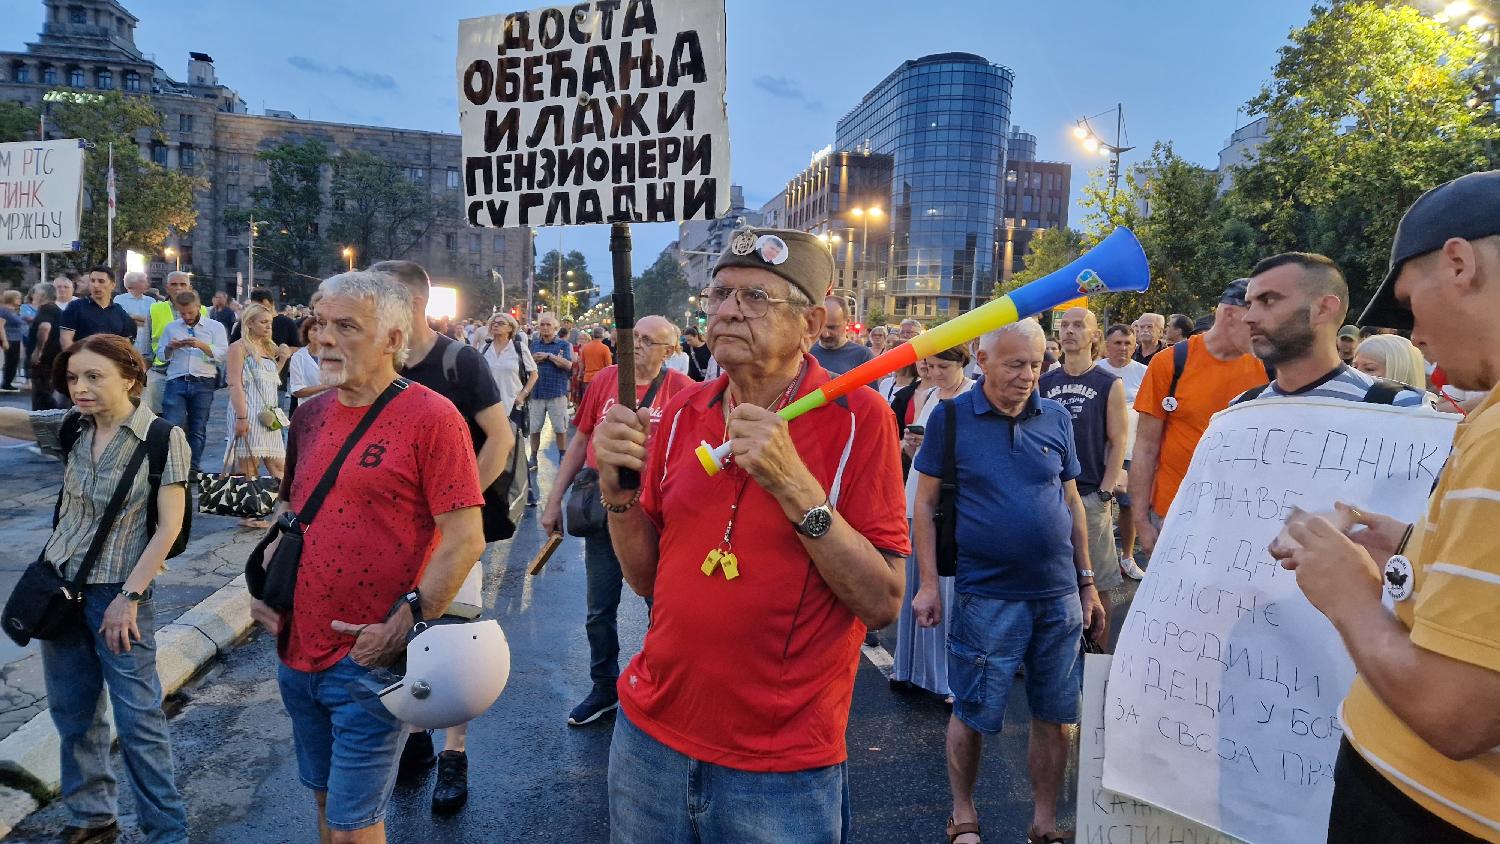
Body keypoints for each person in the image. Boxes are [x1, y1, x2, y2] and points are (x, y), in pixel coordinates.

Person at [592, 228, 908, 841]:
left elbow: (881, 602)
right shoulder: (683, 410)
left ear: (811, 323)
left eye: (757, 297)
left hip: (780, 766)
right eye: (720, 294)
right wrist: (617, 494)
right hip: (648, 739)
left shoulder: (859, 418)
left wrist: (795, 486)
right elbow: (646, 580)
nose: (729, 309)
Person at [1275, 169, 1500, 843]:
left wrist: (1347, 596)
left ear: (1458, 264)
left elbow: (1459, 715)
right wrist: (1410, 547)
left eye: (1407, 304)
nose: (1413, 334)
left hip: (1431, 812)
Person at [249, 271, 486, 844]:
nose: (322, 338)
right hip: (295, 653)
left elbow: (464, 538)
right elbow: (293, 515)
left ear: (392, 339)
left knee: (357, 828)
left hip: (367, 660)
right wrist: (261, 592)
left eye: (346, 326)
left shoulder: (433, 418)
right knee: (328, 811)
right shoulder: (308, 416)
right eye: (319, 322)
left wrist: (399, 628)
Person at [910, 318, 1105, 844]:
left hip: (1058, 596)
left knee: (1055, 713)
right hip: (986, 595)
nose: (1027, 376)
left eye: (1036, 365)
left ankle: (1044, 822)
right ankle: (964, 814)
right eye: (1016, 364)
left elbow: (1071, 502)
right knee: (973, 711)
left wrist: (1086, 582)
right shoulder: (950, 418)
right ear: (983, 358)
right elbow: (925, 504)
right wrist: (927, 584)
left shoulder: (1056, 417)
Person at [0, 334, 191, 844]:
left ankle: (167, 832)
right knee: (73, 711)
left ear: (129, 377)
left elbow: (168, 528)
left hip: (118, 593)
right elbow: (9, 421)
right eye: (72, 378)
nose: (79, 388)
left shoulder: (161, 437)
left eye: (93, 376)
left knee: (138, 722)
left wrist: (129, 599)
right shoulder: (70, 428)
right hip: (58, 588)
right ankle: (92, 815)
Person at [375, 260, 516, 815]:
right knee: (403, 629)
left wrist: (454, 506)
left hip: (452, 529)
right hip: (391, 533)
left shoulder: (460, 362)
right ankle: (415, 737)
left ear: (409, 305)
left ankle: (453, 755)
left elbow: (499, 439)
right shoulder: (377, 361)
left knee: (452, 636)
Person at [540, 315, 694, 727]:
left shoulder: (683, 392)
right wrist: (553, 500)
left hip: (659, 518)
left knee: (660, 610)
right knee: (598, 610)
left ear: (670, 351)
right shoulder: (606, 380)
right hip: (606, 511)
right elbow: (581, 441)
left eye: (649, 340)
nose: (637, 345)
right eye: (634, 336)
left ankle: (660, 686)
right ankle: (604, 687)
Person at [1129, 280, 1266, 555]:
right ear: (1230, 314)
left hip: (1241, 519)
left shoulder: (1269, 366)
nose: (1263, 331)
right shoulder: (1170, 362)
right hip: (1173, 513)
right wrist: (1141, 521)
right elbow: (1145, 447)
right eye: (1255, 322)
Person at [891, 344, 974, 700]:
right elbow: (919, 454)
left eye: (942, 366)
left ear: (963, 363)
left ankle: (945, 677)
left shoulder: (971, 395)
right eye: (929, 365)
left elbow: (971, 450)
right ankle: (910, 669)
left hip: (950, 500)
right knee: (917, 584)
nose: (934, 373)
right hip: (919, 495)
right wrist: (912, 445)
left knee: (944, 586)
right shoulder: (929, 395)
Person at [1040, 307, 1129, 641]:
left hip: (1091, 493)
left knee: (1098, 580)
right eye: (1065, 325)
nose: (1069, 331)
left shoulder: (1108, 382)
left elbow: (1118, 440)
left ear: (1095, 336)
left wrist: (1105, 492)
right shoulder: (1045, 381)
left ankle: (1095, 656)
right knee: (1049, 575)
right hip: (1050, 494)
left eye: (1079, 325)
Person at [1237, 253, 1424, 409]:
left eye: (1268, 300)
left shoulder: (1401, 407)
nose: (1248, 317)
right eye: (1249, 304)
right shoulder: (1241, 409)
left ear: (1323, 309)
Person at [225, 303, 290, 529]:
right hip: (248, 411)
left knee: (280, 464)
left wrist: (281, 360)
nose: (268, 326)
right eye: (263, 322)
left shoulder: (267, 348)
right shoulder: (239, 347)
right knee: (249, 465)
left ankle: (292, 507)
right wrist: (241, 417)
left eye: (269, 322)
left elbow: (269, 380)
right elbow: (234, 383)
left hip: (268, 415)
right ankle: (251, 515)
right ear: (249, 323)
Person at [1094, 323, 1149, 580]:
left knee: (1128, 505)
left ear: (1135, 346)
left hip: (1130, 450)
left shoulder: (1144, 373)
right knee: (1096, 503)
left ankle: (1127, 557)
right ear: (1107, 345)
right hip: (1097, 449)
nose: (1123, 348)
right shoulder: (1096, 371)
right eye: (1117, 343)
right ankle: (1096, 557)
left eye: (1128, 343)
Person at [159, 290, 230, 475]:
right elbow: (161, 356)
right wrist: (170, 347)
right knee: (172, 425)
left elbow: (222, 354)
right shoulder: (172, 327)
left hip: (203, 381)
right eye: (182, 313)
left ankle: (192, 468)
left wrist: (201, 345)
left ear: (199, 307)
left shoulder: (214, 327)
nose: (187, 317)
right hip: (177, 379)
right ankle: (173, 467)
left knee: (198, 427)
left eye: (190, 312)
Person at [146, 273, 202, 414]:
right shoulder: (155, 309)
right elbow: (145, 347)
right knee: (157, 418)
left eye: (182, 284)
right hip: (161, 373)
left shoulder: (204, 311)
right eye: (174, 284)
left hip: (190, 375)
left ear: (189, 288)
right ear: (167, 288)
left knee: (187, 423)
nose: (178, 288)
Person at [526, 312, 573, 464]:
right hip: (537, 392)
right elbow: (526, 365)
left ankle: (563, 455)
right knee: (534, 428)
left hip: (556, 392)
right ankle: (533, 456)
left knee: (560, 428)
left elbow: (568, 365)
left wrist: (548, 356)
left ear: (555, 328)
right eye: (542, 325)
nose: (545, 328)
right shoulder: (533, 345)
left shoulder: (563, 345)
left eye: (548, 325)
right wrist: (533, 359)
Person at [478, 312, 538, 417]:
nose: (495, 325)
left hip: (512, 405)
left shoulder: (519, 348)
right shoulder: (484, 348)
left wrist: (523, 395)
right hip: (487, 406)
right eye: (493, 323)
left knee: (512, 433)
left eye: (501, 323)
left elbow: (534, 374)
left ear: (510, 328)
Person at [59, 267, 136, 347]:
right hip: (82, 357)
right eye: (92, 281)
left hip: (110, 358)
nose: (95, 285)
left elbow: (126, 341)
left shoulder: (119, 311)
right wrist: (74, 358)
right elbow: (65, 339)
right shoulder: (75, 307)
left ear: (112, 285)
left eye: (101, 281)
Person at [810, 296, 875, 374]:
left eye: (832, 327)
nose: (825, 334)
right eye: (821, 326)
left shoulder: (863, 356)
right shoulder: (806, 352)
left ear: (847, 322)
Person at [1352, 334, 1430, 396]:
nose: (1356, 373)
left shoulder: (1426, 413)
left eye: (1369, 369)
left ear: (1401, 372)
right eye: (1354, 367)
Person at [27, 282, 64, 411]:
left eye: (34, 292)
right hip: (54, 358)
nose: (32, 296)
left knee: (41, 395)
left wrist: (38, 351)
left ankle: (41, 425)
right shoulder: (56, 310)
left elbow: (45, 327)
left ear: (42, 295)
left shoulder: (46, 309)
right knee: (47, 393)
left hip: (43, 360)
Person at [286, 313, 330, 416]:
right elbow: (297, 391)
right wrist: (326, 386)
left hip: (331, 410)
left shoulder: (335, 355)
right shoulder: (298, 357)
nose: (317, 333)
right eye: (314, 330)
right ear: (307, 332)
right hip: (308, 411)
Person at [115, 272, 155, 360]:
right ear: (135, 283)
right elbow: (120, 320)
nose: (147, 284)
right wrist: (142, 320)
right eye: (144, 281)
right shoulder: (119, 299)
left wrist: (131, 316)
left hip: (146, 345)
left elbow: (153, 321)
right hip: (126, 345)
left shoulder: (151, 301)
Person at [578, 325, 614, 391]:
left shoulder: (585, 348)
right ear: (602, 335)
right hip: (601, 378)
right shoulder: (605, 348)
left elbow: (582, 363)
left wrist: (580, 374)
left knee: (590, 399)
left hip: (588, 378)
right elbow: (609, 365)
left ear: (593, 335)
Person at [0, 290, 23, 392]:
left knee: (13, 361)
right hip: (9, 339)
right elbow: (1, 326)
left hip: (15, 338)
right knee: (10, 361)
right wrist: (4, 341)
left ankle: (8, 382)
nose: (19, 300)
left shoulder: (14, 311)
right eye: (17, 298)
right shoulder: (4, 311)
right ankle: (6, 382)